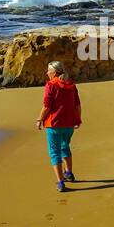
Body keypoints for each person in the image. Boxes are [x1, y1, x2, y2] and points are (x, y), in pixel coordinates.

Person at [36, 60, 81, 192]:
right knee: (65, 147)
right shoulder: (71, 85)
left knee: (54, 152)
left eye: (48, 70)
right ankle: (69, 173)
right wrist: (77, 120)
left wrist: (39, 119)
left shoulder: (51, 85)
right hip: (69, 124)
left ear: (54, 72)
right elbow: (77, 105)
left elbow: (47, 106)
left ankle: (60, 182)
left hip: (54, 124)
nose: (47, 72)